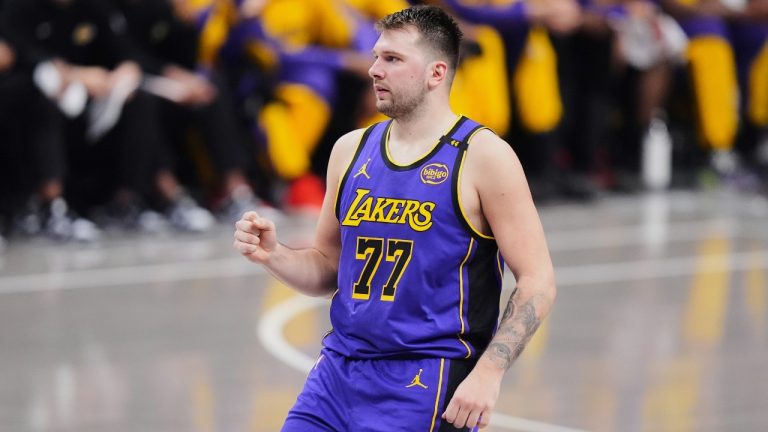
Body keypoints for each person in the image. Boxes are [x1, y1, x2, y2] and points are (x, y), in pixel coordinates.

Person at [234, 5, 556, 431]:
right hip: (337, 373)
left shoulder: (484, 157)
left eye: (392, 59)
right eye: (375, 57)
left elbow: (538, 280)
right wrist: (274, 254)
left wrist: (489, 372)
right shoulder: (350, 150)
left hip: (425, 377)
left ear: (436, 73)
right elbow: (329, 267)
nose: (374, 70)